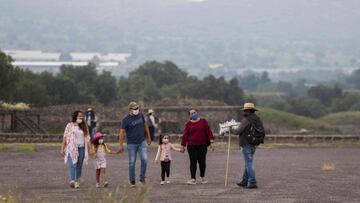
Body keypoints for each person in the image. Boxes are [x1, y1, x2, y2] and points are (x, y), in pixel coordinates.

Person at [230, 102, 264, 189]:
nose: (244, 112)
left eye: (245, 110)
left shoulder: (246, 120)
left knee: (249, 163)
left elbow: (237, 131)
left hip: (246, 144)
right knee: (247, 163)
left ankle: (252, 182)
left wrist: (230, 129)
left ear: (247, 111)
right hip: (254, 144)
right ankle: (245, 181)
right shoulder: (257, 119)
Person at [117, 102, 151, 187]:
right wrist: (120, 145)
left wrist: (148, 137)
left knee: (145, 159)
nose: (137, 110)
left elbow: (145, 125)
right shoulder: (125, 119)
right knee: (132, 162)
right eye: (135, 109)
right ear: (130, 109)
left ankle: (142, 178)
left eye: (137, 108)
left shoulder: (141, 115)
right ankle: (132, 181)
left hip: (141, 142)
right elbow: (122, 132)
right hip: (131, 144)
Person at [180, 108, 215, 185]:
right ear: (189, 116)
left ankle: (202, 177)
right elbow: (185, 136)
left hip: (202, 145)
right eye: (192, 113)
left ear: (197, 112)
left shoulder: (203, 121)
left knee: (202, 162)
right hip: (192, 146)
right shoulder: (188, 124)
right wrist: (183, 146)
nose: (194, 114)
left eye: (194, 112)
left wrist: (211, 142)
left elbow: (208, 132)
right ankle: (193, 179)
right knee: (193, 162)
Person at [60, 110, 91, 189]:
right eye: (79, 116)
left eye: (82, 116)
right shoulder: (69, 125)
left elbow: (88, 138)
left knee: (79, 165)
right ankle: (72, 181)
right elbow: (65, 137)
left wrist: (91, 148)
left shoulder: (84, 126)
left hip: (82, 148)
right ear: (75, 116)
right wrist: (62, 148)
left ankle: (77, 181)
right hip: (72, 148)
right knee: (73, 164)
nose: (81, 117)